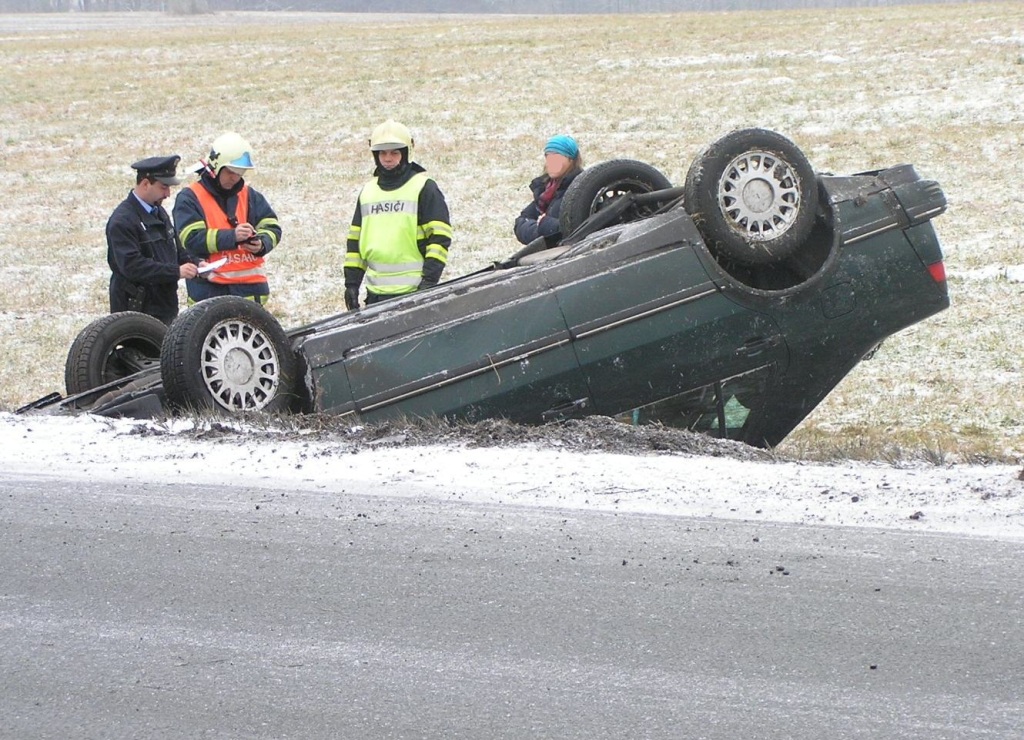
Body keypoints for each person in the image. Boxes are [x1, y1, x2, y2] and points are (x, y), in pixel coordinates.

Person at [344, 120, 452, 310]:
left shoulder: (424, 188)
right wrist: (352, 284)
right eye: (382, 153)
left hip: (414, 293)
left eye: (394, 152)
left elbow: (440, 239)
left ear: (406, 152)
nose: (388, 158)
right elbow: (355, 243)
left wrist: (428, 283)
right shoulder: (368, 192)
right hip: (375, 296)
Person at [173, 132, 282, 307]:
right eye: (231, 172)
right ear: (216, 167)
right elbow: (191, 239)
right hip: (210, 294)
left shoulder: (250, 195)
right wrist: (233, 237)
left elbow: (272, 226)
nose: (235, 178)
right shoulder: (190, 198)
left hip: (251, 295)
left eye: (240, 173)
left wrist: (262, 243)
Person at [106, 155, 202, 325]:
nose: (168, 194)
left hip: (163, 306)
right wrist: (176, 272)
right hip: (137, 309)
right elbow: (132, 266)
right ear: (145, 184)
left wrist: (196, 263)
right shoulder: (122, 220)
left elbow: (174, 248)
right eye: (163, 187)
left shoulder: (157, 211)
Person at [513, 134, 584, 246]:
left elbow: (572, 229)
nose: (552, 163)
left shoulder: (581, 190)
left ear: (571, 160)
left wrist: (544, 225)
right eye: (548, 157)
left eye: (557, 157)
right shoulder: (545, 190)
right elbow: (521, 222)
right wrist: (539, 230)